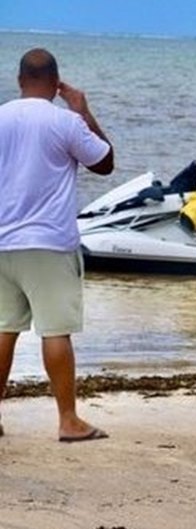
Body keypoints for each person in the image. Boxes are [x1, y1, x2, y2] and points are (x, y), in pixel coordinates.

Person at [0, 48, 114, 442]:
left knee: (3, 330)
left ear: (18, 81)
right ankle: (68, 420)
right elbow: (104, 163)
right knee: (55, 331)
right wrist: (83, 110)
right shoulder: (65, 121)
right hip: (48, 241)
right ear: (55, 83)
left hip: (2, 241)